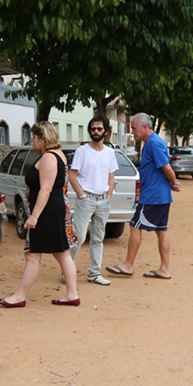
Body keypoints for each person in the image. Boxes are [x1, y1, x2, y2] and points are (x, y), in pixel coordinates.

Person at [0, 121, 80, 307]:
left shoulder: (49, 158)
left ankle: (19, 297)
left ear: (43, 138)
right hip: (54, 209)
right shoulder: (57, 154)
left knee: (34, 255)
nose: (31, 141)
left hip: (47, 211)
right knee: (62, 253)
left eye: (33, 137)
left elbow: (46, 190)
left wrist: (34, 216)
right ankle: (72, 294)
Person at [106, 112, 180, 280]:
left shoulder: (153, 143)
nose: (132, 132)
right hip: (160, 196)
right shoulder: (151, 142)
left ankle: (128, 265)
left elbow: (166, 168)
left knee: (135, 226)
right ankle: (164, 269)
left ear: (145, 127)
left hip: (153, 196)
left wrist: (174, 183)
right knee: (161, 230)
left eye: (134, 128)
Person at [69, 116, 118, 286]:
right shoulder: (82, 151)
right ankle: (67, 270)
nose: (95, 131)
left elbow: (111, 177)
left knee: (98, 238)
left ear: (105, 131)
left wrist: (109, 196)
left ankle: (94, 273)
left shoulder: (110, 152)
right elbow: (72, 176)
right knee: (79, 237)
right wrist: (82, 196)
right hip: (86, 199)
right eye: (93, 129)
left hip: (103, 201)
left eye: (99, 128)